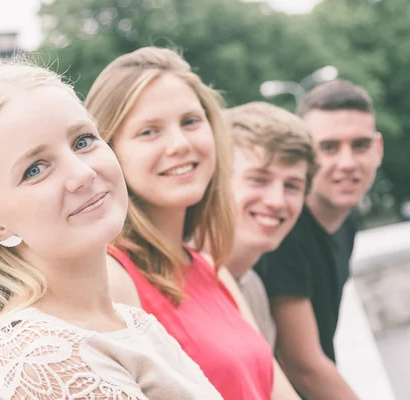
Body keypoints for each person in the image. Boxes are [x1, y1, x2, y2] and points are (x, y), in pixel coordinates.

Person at [0, 58, 223, 400]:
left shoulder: (127, 321)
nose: (83, 173)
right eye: (35, 169)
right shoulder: (40, 356)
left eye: (84, 141)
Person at [86, 46, 289, 399]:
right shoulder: (110, 279)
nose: (179, 144)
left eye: (190, 122)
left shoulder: (213, 270)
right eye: (149, 131)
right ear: (109, 151)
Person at [254, 80, 383, 399]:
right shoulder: (284, 229)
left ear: (378, 148)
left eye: (360, 145)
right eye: (328, 148)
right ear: (304, 155)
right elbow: (303, 365)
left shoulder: (346, 222)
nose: (347, 163)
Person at [222, 102, 317, 350]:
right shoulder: (175, 286)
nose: (277, 201)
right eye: (258, 179)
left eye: (292, 186)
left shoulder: (253, 288)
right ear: (217, 181)